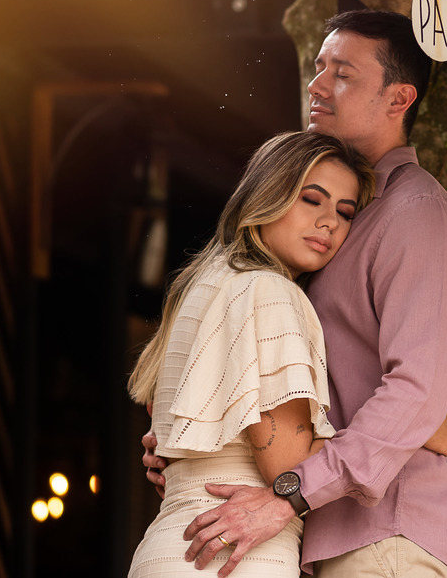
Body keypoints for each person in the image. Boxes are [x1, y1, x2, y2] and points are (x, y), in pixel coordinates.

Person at [142, 10, 447, 578]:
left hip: (386, 540)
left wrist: (289, 494)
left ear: (399, 99)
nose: (317, 85)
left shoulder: (419, 218)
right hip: (322, 537)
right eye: (319, 68)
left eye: (343, 73)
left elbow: (418, 393)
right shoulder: (284, 263)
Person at [126, 131, 374, 578]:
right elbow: (288, 466)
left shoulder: (203, 288)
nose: (329, 222)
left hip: (171, 548)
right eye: (311, 199)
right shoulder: (270, 291)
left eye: (345, 211)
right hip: (236, 554)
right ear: (268, 195)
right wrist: (404, 431)